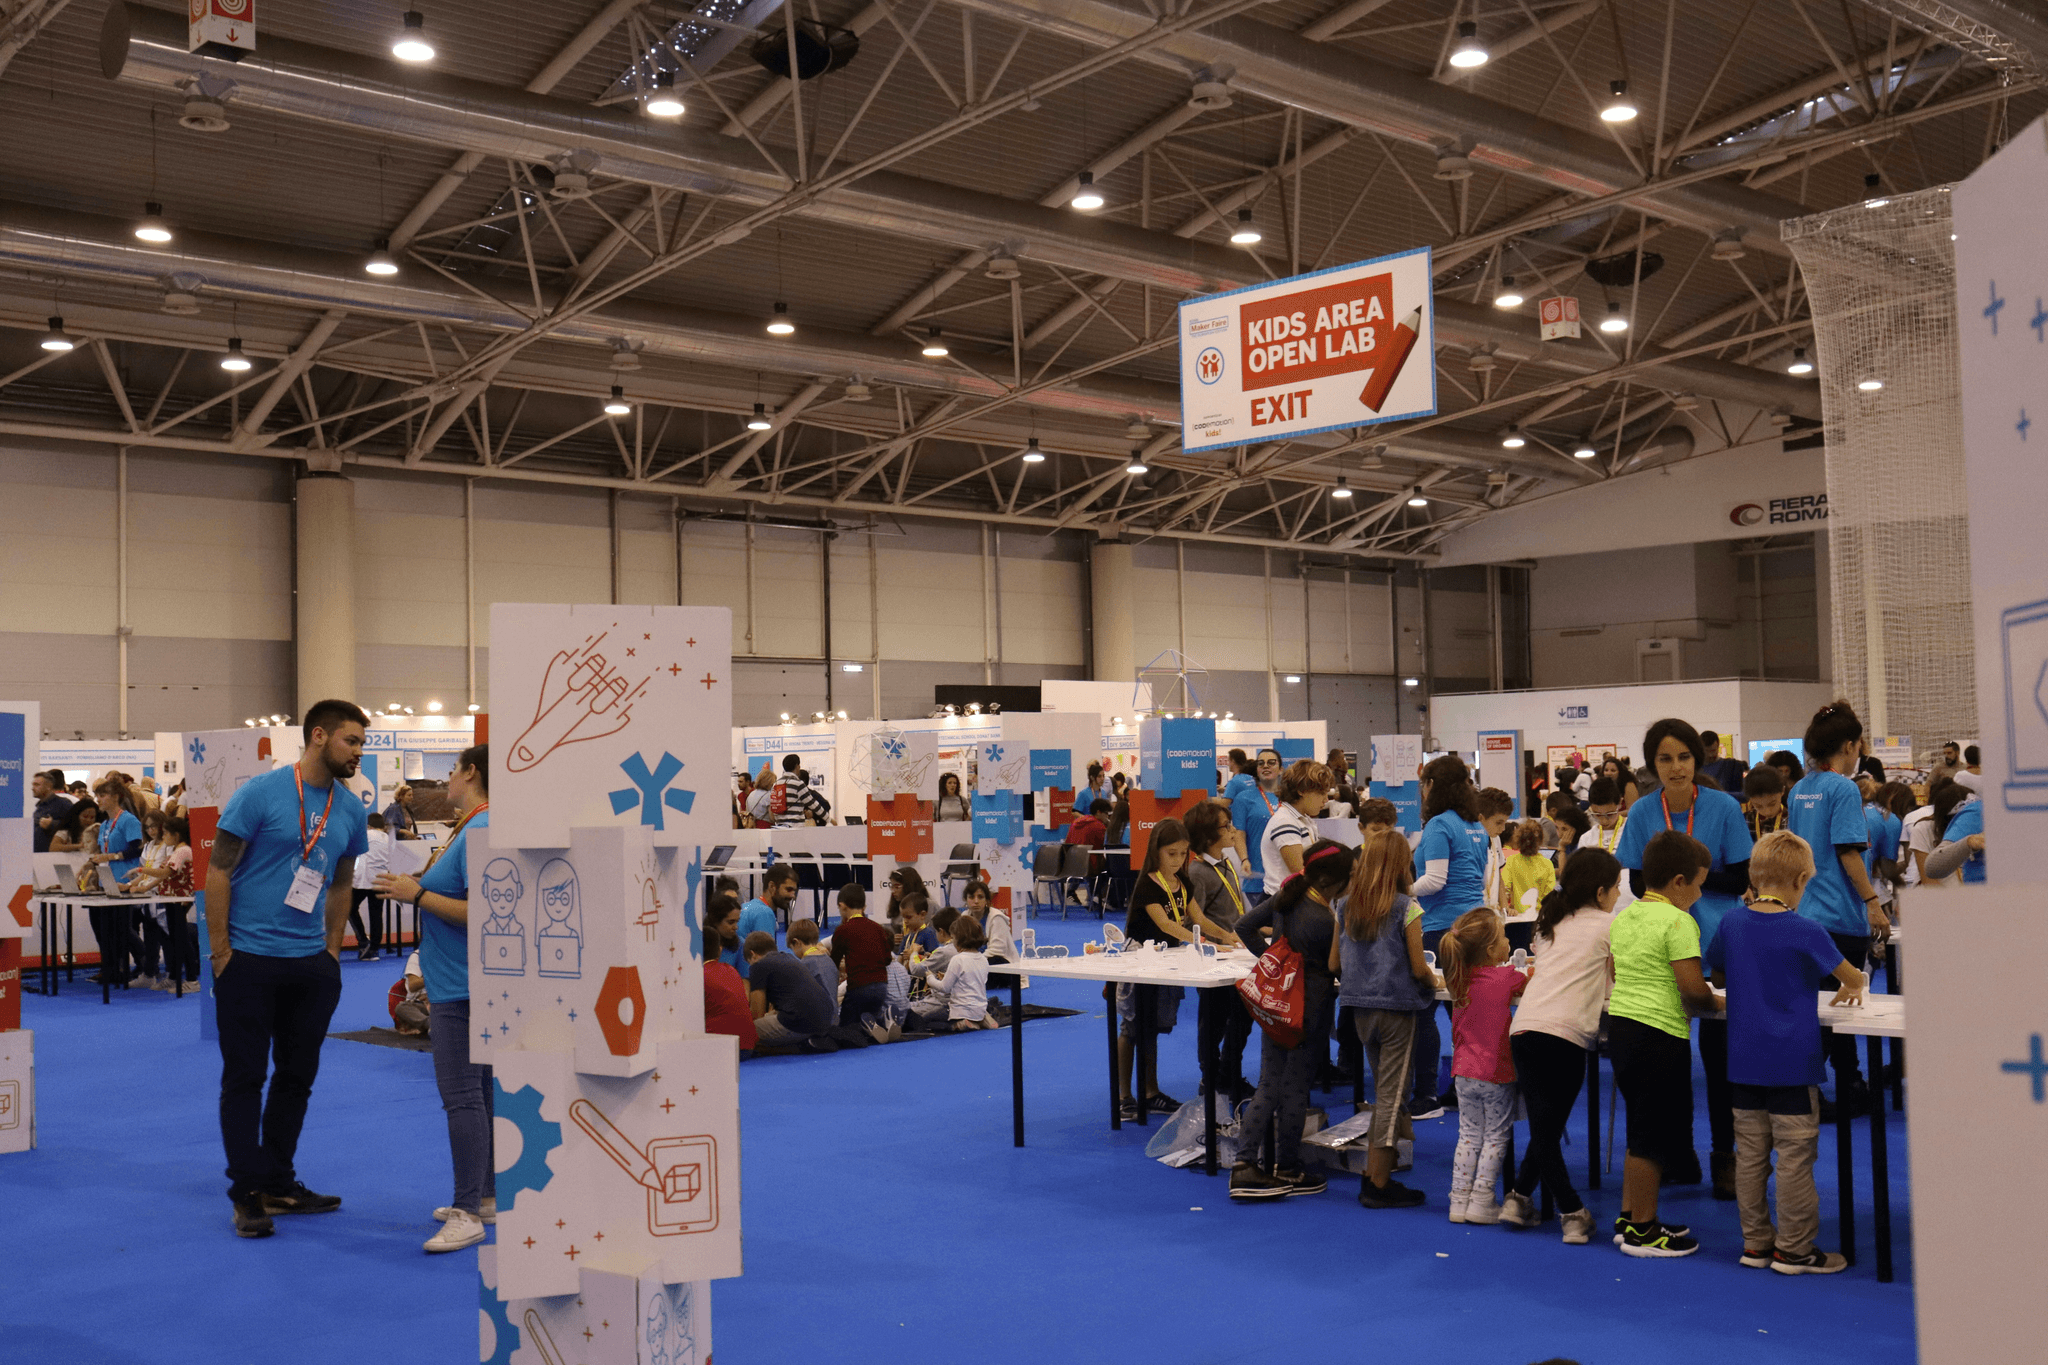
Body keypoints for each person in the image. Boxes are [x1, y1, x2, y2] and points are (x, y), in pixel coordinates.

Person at [208, 700, 371, 1239]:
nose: (359, 751)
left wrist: (331, 952)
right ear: (319, 736)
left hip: (311, 966)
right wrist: (221, 951)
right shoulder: (260, 793)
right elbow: (219, 869)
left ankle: (279, 1180)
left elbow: (342, 882)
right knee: (245, 1078)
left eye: (362, 742)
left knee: (296, 1079)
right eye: (352, 740)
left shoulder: (349, 809)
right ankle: (246, 1192)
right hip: (249, 961)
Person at [1704, 830, 1865, 1275]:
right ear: (1800, 879)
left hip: (1743, 1061)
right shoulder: (1806, 929)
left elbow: (1716, 968)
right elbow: (1852, 977)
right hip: (1793, 1063)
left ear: (1753, 876)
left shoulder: (1732, 923)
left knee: (1751, 1158)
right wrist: (1851, 987)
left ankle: (1755, 1244)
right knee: (1795, 1159)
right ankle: (1795, 1249)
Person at [1615, 716, 1752, 1197]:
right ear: (1653, 765)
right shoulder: (1642, 813)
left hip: (1716, 945)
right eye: (1665, 759)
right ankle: (1678, 1155)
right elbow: (1635, 881)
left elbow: (1739, 880)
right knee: (1667, 1062)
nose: (1676, 768)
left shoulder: (1723, 807)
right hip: (1660, 946)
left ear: (1699, 759)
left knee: (1719, 1062)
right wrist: (1677, 884)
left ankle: (1725, 1158)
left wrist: (1680, 877)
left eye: (1685, 757)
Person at [373, 743, 493, 1253]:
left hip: (463, 983)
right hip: (455, 979)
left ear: (471, 772)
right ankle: (484, 1195)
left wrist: (417, 894)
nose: (445, 781)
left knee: (462, 1096)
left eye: (451, 771)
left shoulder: (483, 828)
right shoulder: (471, 827)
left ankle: (468, 1210)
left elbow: (486, 912)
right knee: (480, 1093)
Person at [1609, 829, 1721, 1257]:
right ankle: (1643, 1231)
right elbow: (1693, 990)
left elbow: (1618, 973)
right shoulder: (1679, 921)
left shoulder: (1627, 916)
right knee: (1650, 1136)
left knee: (1640, 1127)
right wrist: (1716, 1001)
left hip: (1623, 1027)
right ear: (1678, 882)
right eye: (1698, 884)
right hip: (1660, 1034)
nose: (1698, 893)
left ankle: (1631, 1216)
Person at [1500, 848, 1619, 1245]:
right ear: (1602, 891)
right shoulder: (1608, 925)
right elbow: (1615, 982)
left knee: (1545, 1124)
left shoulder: (1551, 921)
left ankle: (1517, 1198)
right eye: (1617, 888)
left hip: (1526, 1028)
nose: (1619, 895)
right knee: (1546, 1127)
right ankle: (1571, 1211)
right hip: (1567, 1034)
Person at [1227, 840, 1355, 1201]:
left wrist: (1272, 960)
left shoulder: (1288, 897)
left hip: (1277, 1003)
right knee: (1295, 1087)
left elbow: (1244, 926)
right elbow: (1337, 967)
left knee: (1270, 1083)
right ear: (1334, 881)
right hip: (1308, 1009)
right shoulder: (1323, 919)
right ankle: (1283, 1166)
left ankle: (1248, 1162)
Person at [1785, 700, 1890, 1118]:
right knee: (1841, 1008)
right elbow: (1848, 852)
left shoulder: (1799, 789)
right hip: (1841, 916)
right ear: (1849, 746)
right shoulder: (1844, 788)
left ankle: (1844, 1085)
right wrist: (1873, 902)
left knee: (1821, 1008)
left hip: (1805, 912)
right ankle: (1815, 1093)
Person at [1334, 827, 1434, 1209]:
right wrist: (1433, 977)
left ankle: (1383, 1166)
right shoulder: (1406, 907)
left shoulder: (1345, 905)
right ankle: (1376, 1181)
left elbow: (1333, 961)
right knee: (1391, 1098)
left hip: (1358, 1008)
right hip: (1397, 1007)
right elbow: (1417, 964)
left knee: (1390, 1089)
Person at [1407, 754, 1490, 1120]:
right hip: (1474, 925)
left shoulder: (1439, 825)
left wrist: (1401, 890)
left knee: (1423, 1011)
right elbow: (1482, 878)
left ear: (1432, 786)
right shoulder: (1476, 826)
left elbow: (1435, 881)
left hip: (1440, 928)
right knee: (1463, 1010)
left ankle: (1425, 1097)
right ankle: (1465, 1088)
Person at [1438, 908, 1525, 1224]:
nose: (1507, 941)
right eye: (1504, 937)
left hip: (1463, 1072)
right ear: (1491, 950)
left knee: (1469, 1135)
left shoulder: (1457, 980)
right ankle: (1482, 1199)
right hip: (1495, 1072)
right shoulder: (1505, 978)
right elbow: (1531, 983)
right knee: (1496, 1137)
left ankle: (1458, 1201)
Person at [1115, 817, 1204, 1119]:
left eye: (1183, 853)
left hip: (1166, 960)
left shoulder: (1183, 882)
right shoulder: (1147, 884)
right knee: (1131, 1027)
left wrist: (1230, 936)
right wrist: (1201, 941)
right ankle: (1123, 1095)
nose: (1178, 860)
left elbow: (1199, 918)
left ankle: (1150, 1092)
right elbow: (1165, 923)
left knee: (1152, 1027)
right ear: (1156, 851)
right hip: (1139, 960)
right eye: (1172, 853)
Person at [1184, 800, 1254, 1103]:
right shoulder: (1197, 872)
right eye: (1226, 826)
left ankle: (1229, 1072)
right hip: (1215, 957)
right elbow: (1194, 919)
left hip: (1237, 954)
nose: (1233, 830)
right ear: (1209, 835)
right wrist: (1224, 938)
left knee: (1242, 1015)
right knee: (1212, 1021)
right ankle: (1210, 1076)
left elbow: (1238, 909)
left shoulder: (1226, 863)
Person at [84, 775, 147, 985]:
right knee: (102, 927)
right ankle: (110, 970)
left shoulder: (128, 820)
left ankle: (145, 965)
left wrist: (112, 857)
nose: (99, 800)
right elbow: (103, 852)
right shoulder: (105, 824)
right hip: (106, 880)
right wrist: (91, 867)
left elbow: (136, 848)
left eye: (102, 795)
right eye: (97, 796)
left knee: (122, 929)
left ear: (115, 797)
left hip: (124, 879)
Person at [743, 930, 836, 1047]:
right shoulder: (789, 958)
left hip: (800, 1023)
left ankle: (797, 1047)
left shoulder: (758, 966)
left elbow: (757, 1013)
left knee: (746, 1032)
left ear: (753, 954)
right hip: (826, 1019)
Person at [908, 912, 992, 1031]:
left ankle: (958, 1025)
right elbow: (969, 982)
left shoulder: (957, 959)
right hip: (980, 1008)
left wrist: (930, 977)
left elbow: (944, 988)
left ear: (960, 938)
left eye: (954, 938)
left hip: (958, 1010)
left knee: (923, 1021)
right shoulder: (983, 958)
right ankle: (980, 1020)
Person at [1260, 759, 1331, 889]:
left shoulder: (1302, 820)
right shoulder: (1285, 822)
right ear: (1302, 790)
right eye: (1321, 793)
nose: (1326, 799)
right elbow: (1301, 873)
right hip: (1284, 903)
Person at [830, 883, 893, 1026]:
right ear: (863, 906)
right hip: (881, 986)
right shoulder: (878, 928)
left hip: (859, 987)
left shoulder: (842, 930)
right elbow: (887, 959)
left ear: (842, 905)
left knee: (846, 1025)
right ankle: (879, 1026)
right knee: (870, 1019)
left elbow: (833, 963)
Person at [700, 894, 756, 1057]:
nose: (736, 927)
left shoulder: (741, 945)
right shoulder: (697, 942)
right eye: (731, 922)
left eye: (737, 921)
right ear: (715, 922)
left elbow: (745, 989)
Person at [1230, 748, 1285, 900]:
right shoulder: (1243, 799)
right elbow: (1239, 833)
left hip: (1287, 877)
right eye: (1261, 763)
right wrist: (1244, 859)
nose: (1265, 766)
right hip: (1257, 878)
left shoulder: (1289, 798)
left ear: (1280, 769)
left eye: (1271, 763)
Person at [730, 865, 795, 978]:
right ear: (772, 886)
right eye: (788, 890)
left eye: (794, 891)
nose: (792, 895)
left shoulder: (748, 905)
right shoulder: (764, 913)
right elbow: (767, 961)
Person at [1500, 820, 1555, 952]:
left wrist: (1508, 907)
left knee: (1518, 958)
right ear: (1541, 841)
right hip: (1540, 921)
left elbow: (1505, 888)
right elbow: (1550, 895)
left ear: (1518, 840)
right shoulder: (1547, 864)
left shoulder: (1512, 861)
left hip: (1517, 920)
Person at [349, 812, 391, 962]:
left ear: (368, 826)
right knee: (376, 914)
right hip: (381, 879)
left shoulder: (366, 834)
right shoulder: (388, 838)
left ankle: (362, 942)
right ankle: (373, 950)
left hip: (362, 879)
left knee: (349, 908)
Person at [773, 754, 828, 827]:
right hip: (795, 827)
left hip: (779, 826)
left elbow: (774, 807)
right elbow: (813, 804)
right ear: (797, 766)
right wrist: (828, 819)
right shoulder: (798, 784)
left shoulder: (776, 784)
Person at [31, 770, 73, 853]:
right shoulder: (39, 806)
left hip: (54, 857)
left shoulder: (63, 804)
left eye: (37, 785)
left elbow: (75, 825)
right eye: (33, 784)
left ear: (49, 786)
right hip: (38, 857)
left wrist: (52, 824)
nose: (32, 788)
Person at [1742, 765, 1787, 843]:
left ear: (1782, 791)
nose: (1767, 812)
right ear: (1750, 800)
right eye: (1758, 806)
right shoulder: (1746, 820)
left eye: (1772, 804)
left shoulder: (1791, 819)